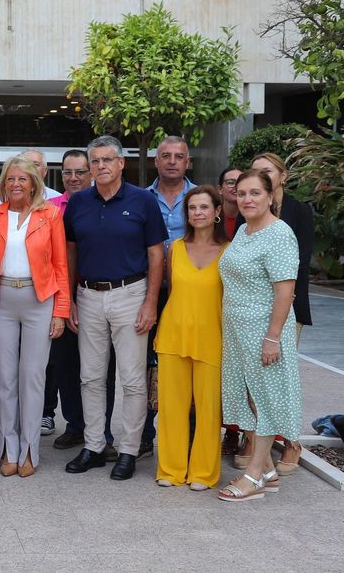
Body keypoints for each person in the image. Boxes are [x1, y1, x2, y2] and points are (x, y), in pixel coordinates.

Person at [64, 135, 166, 481]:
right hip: (88, 295)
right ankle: (94, 446)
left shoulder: (142, 201)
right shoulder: (79, 203)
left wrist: (150, 303)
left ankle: (129, 449)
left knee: (134, 380)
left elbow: (156, 255)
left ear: (121, 163)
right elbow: (71, 252)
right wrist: (71, 299)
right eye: (95, 161)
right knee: (90, 377)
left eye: (108, 160)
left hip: (131, 294)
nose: (101, 166)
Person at [217, 169, 301, 502]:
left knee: (265, 400)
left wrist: (273, 337)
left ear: (270, 196)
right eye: (241, 194)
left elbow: (285, 291)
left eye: (255, 193)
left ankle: (253, 475)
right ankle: (266, 469)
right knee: (243, 397)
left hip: (264, 332)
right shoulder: (243, 230)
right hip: (237, 330)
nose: (247, 199)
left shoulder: (279, 234)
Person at [0, 157, 69, 478]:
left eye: (23, 179)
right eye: (10, 179)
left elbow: (61, 265)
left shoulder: (51, 215)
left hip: (39, 299)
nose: (16, 184)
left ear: (34, 183)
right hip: (1, 300)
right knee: (4, 378)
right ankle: (8, 448)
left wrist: (60, 311)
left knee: (33, 377)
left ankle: (30, 451)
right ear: (3, 183)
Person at [237, 152, 315, 474]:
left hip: (282, 312)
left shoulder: (292, 218)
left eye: (265, 173)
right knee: (257, 384)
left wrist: (274, 331)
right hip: (248, 316)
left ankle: (291, 441)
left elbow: (296, 271)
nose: (259, 178)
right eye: (253, 174)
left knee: (278, 382)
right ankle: (259, 445)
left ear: (280, 177)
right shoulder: (245, 224)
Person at [155, 185, 227, 490]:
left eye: (204, 207)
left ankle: (203, 472)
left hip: (212, 337)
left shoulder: (229, 252)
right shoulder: (175, 249)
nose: (197, 213)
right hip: (174, 334)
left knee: (209, 409)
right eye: (192, 208)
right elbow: (172, 291)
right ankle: (170, 470)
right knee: (172, 407)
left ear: (217, 212)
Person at [141, 137, 199, 457]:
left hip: (189, 295)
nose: (172, 162)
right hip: (152, 293)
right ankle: (145, 435)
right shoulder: (140, 198)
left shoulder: (201, 197)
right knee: (149, 364)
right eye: (166, 156)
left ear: (188, 162)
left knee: (188, 362)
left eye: (179, 157)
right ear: (156, 161)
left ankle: (190, 437)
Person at [47, 149, 90, 451]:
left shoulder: (99, 203)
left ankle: (99, 430)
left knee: (99, 369)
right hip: (61, 297)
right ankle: (74, 425)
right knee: (65, 366)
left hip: (98, 293)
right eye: (67, 172)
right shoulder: (49, 208)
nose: (73, 178)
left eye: (79, 172)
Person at [218, 166, 242, 241]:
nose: (236, 187)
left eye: (240, 182)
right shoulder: (212, 216)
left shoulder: (253, 218)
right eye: (231, 183)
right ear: (220, 189)